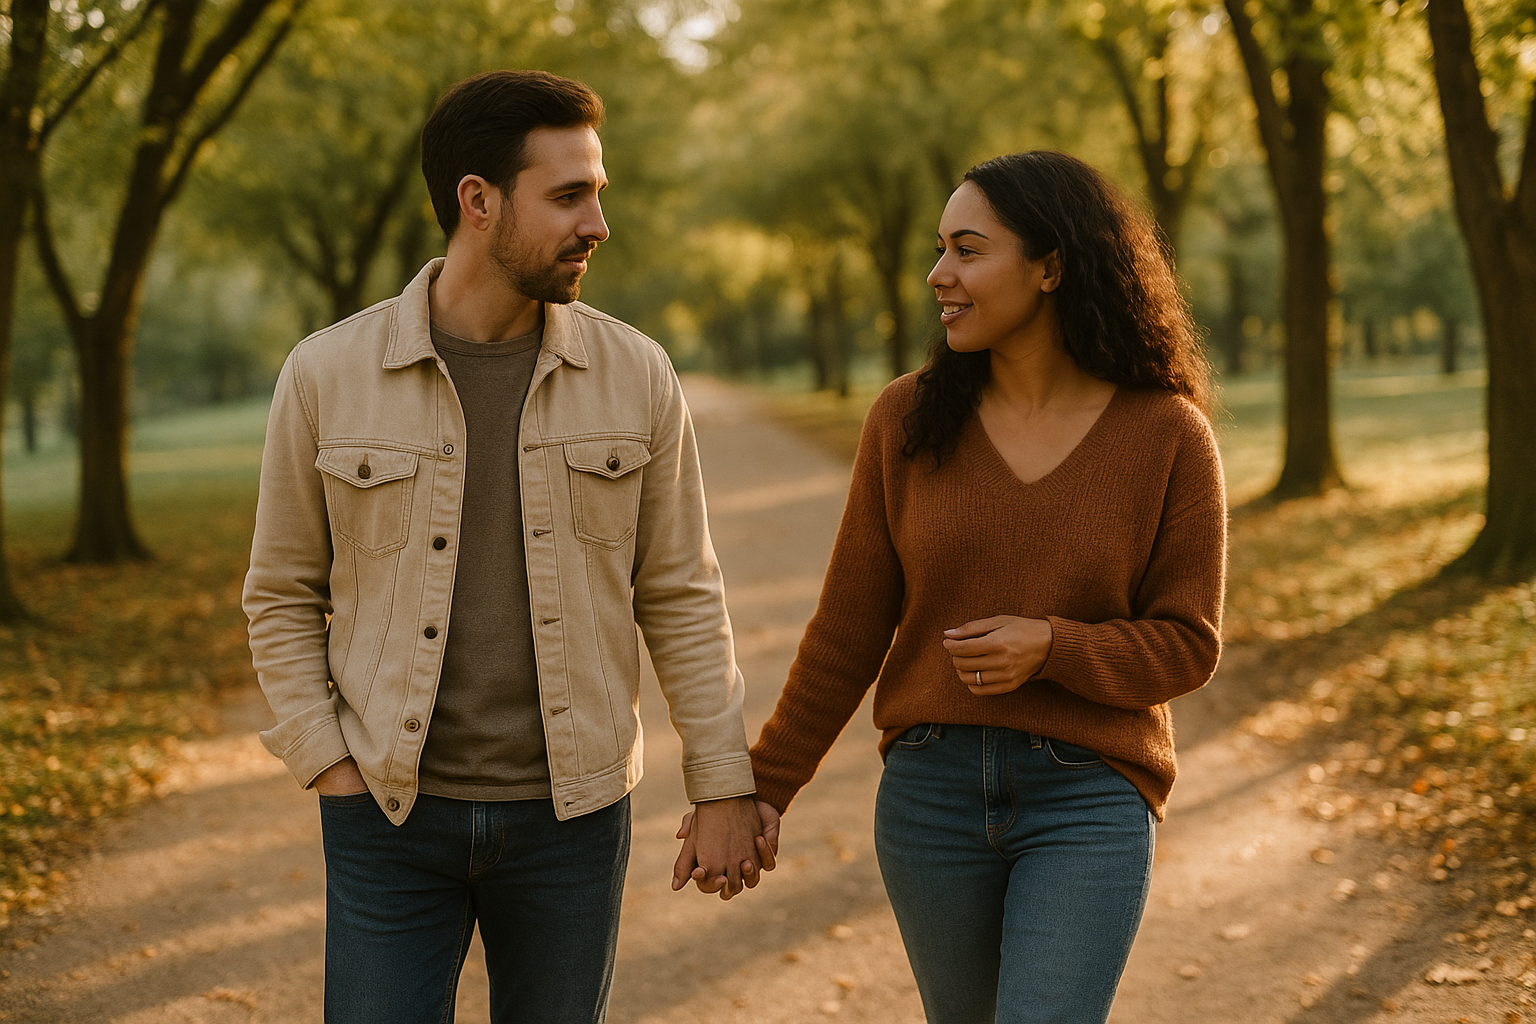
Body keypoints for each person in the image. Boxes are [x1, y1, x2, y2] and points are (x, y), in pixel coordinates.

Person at [243, 70, 772, 1024]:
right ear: (477, 201)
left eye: (597, 193)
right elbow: (280, 592)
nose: (598, 223)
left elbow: (682, 593)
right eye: (569, 196)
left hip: (574, 819)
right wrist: (329, 765)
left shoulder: (636, 374)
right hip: (388, 815)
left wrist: (723, 781)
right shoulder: (326, 374)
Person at [736, 151, 1227, 1024]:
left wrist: (1055, 646)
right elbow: (848, 629)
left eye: (968, 250)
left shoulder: (1168, 435)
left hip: (1089, 792)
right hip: (931, 795)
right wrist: (764, 786)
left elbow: (1188, 644)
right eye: (939, 249)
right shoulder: (906, 419)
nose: (939, 274)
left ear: (1051, 267)